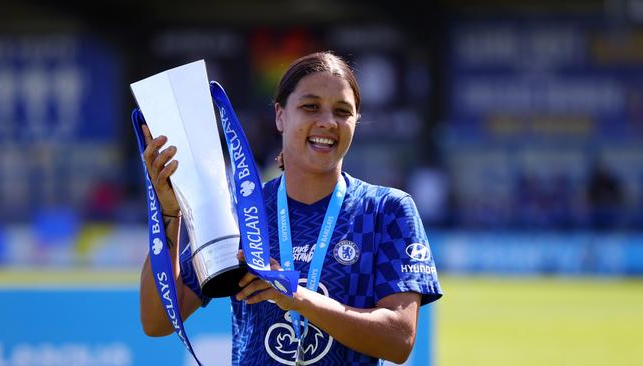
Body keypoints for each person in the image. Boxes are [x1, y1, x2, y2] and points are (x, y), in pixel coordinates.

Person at [138, 51, 442, 365]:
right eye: (310, 106)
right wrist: (168, 213)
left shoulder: (386, 210)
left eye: (342, 111)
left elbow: (399, 340)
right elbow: (157, 321)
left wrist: (296, 298)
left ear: (356, 122)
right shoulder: (241, 213)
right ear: (280, 115)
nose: (327, 122)